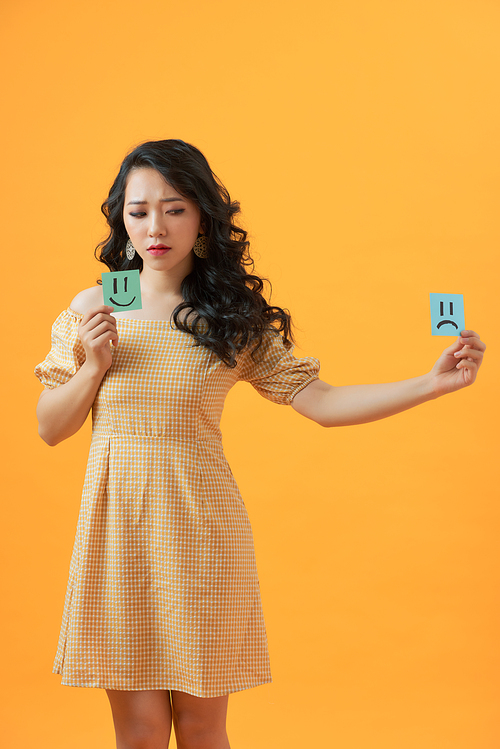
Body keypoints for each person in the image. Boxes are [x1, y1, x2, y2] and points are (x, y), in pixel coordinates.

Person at [35, 139, 485, 749]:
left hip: (200, 536)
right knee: (137, 735)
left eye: (175, 208)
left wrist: (431, 384)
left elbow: (321, 402)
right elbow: (50, 427)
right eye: (138, 211)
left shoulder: (230, 316)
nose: (155, 227)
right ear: (121, 218)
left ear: (203, 218)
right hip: (117, 536)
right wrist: (92, 367)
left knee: (201, 729)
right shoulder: (93, 309)